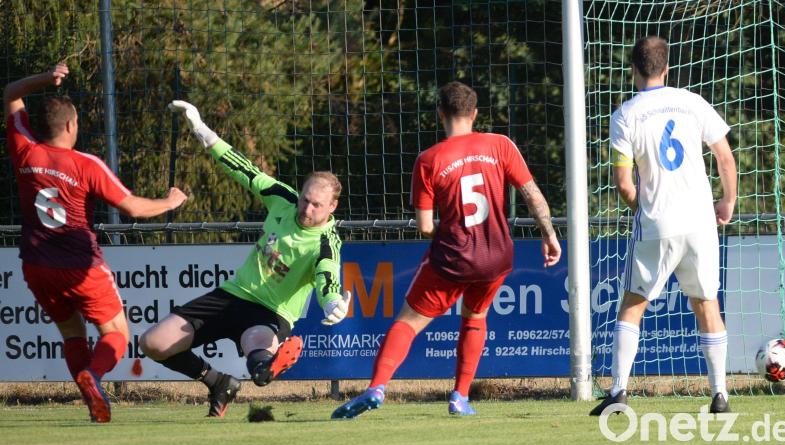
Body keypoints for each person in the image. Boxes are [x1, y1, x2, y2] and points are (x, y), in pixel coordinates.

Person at [331, 81, 562, 419]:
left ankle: (377, 387)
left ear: (440, 113)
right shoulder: (500, 145)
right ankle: (460, 397)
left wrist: (453, 234)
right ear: (475, 113)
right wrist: (549, 234)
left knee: (408, 322)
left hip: (454, 258)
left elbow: (425, 226)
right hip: (497, 256)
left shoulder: (429, 160)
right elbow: (533, 195)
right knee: (476, 317)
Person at [140, 100, 351, 418]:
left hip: (270, 312)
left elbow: (327, 273)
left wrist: (332, 300)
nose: (306, 210)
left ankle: (266, 366)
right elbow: (244, 170)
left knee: (258, 360)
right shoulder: (283, 199)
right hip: (232, 295)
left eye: (316, 206)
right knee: (153, 343)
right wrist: (202, 130)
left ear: (331, 207)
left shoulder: (326, 241)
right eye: (305, 200)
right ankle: (219, 382)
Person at [3, 63, 188, 423]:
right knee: (117, 332)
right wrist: (170, 201)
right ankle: (94, 377)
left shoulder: (25, 150)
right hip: (81, 265)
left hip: (36, 265)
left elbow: (11, 92)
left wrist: (46, 78)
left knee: (72, 332)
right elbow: (132, 207)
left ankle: (90, 391)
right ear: (71, 126)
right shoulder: (86, 164)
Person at [589, 36, 737, 416]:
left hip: (658, 224)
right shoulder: (692, 102)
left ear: (634, 69)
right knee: (707, 303)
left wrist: (647, 208)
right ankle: (720, 395)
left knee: (633, 304)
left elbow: (624, 183)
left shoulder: (625, 115)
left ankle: (619, 392)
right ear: (667, 67)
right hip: (700, 221)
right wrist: (727, 201)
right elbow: (724, 155)